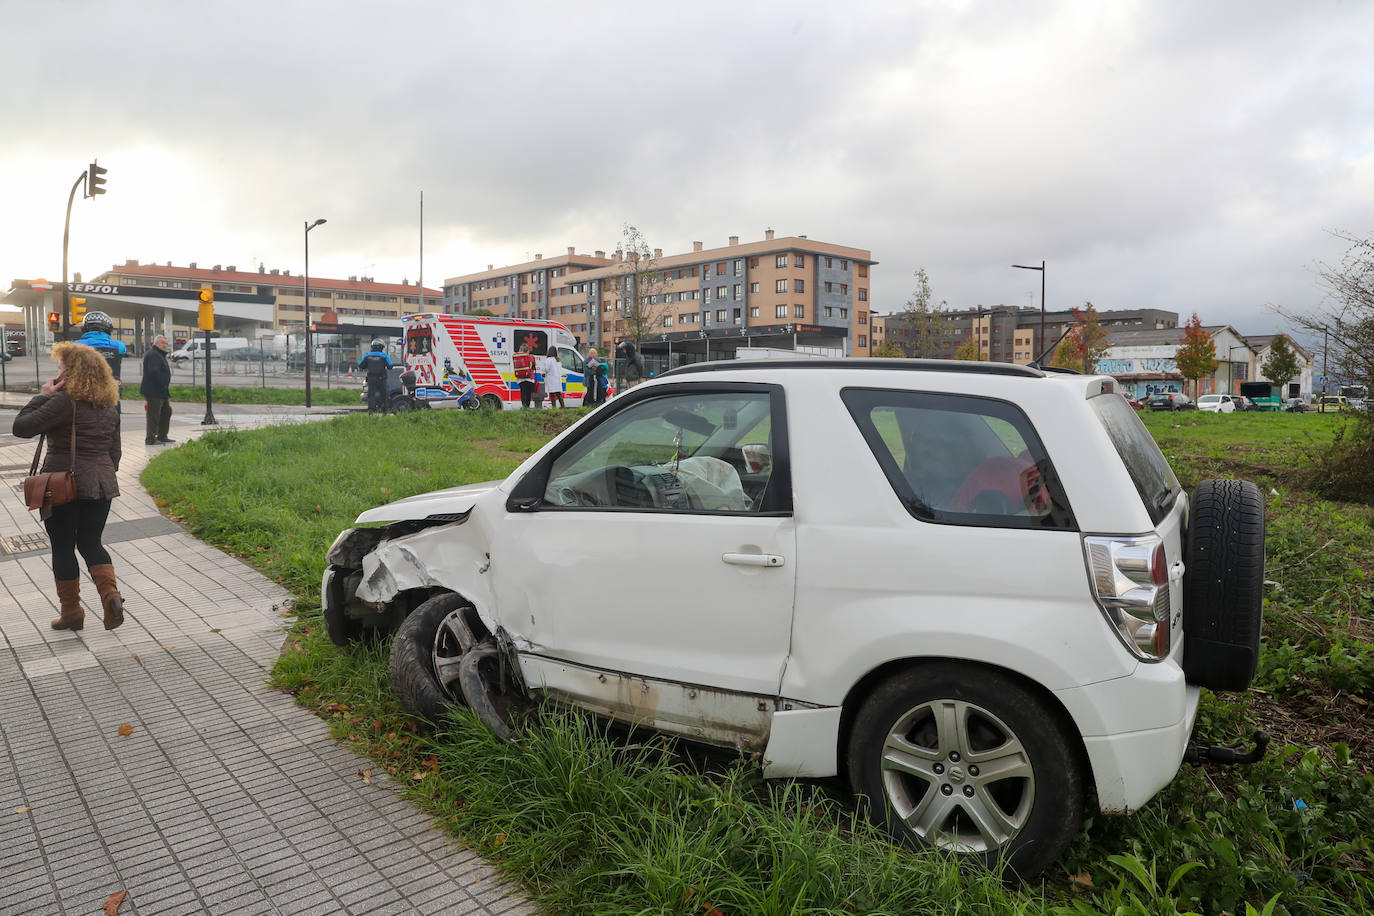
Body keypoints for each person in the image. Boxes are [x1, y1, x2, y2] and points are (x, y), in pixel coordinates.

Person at [13, 342, 124, 632]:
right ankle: (110, 595)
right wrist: (102, 474)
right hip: (101, 484)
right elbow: (115, 452)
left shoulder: (63, 402)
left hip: (63, 484)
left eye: (60, 368)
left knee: (63, 546)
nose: (57, 374)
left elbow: (21, 427)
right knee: (91, 542)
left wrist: (42, 395)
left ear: (71, 372)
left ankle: (72, 613)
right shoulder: (110, 403)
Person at [140, 334, 174, 445]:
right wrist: (162, 383)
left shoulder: (159, 355)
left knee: (166, 412)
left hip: (161, 391)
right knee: (153, 415)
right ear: (156, 343)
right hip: (154, 390)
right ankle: (150, 438)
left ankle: (162, 436)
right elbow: (154, 372)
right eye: (163, 343)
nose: (165, 346)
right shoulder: (154, 355)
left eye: (166, 344)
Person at [357, 339, 393, 413]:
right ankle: (384, 409)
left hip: (371, 378)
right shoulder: (384, 356)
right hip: (381, 378)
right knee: (384, 394)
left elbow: (360, 365)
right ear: (381, 347)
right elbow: (390, 366)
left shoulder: (367, 355)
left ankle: (371, 410)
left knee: (371, 395)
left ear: (372, 347)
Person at [513, 342, 536, 408]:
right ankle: (527, 407)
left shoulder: (517, 356)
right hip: (529, 378)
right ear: (528, 350)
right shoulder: (530, 357)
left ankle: (523, 406)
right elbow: (533, 367)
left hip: (520, 379)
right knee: (528, 394)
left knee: (523, 393)